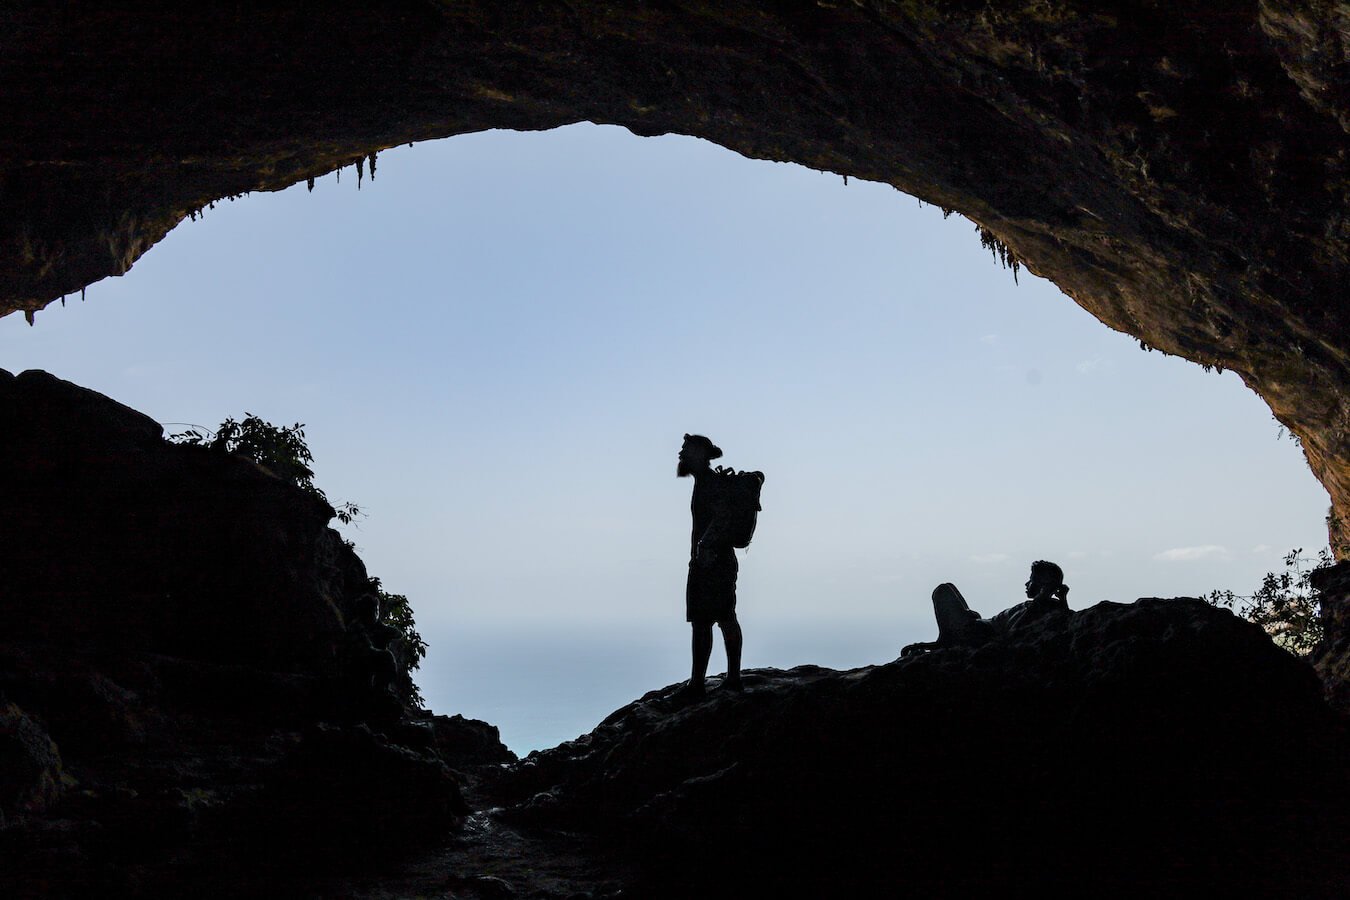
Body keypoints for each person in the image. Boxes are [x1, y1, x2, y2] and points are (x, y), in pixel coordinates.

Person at [677, 433, 744, 696]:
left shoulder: (711, 484)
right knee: (706, 621)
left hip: (714, 562)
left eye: (686, 450)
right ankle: (705, 681)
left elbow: (723, 517)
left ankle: (720, 680)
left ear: (700, 454)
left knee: (721, 619)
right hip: (708, 561)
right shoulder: (703, 482)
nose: (681, 454)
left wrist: (704, 548)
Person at [901, 560, 1070, 656]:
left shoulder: (1039, 609)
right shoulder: (1037, 606)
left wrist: (1050, 598)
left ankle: (945, 642)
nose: (1026, 583)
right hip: (978, 623)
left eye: (1031, 580)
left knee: (943, 591)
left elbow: (1015, 632)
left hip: (975, 632)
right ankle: (945, 639)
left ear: (1043, 585)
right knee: (948, 586)